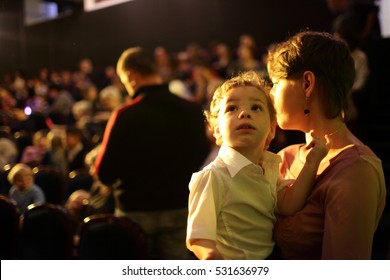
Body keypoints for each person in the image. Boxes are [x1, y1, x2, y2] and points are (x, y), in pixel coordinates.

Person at [267, 30, 386, 259]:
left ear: (306, 84)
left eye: (275, 82)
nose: (270, 93)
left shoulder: (355, 169)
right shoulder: (284, 157)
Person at [186, 71, 329, 260]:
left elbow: (288, 205)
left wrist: (312, 163)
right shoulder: (212, 176)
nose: (244, 113)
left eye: (256, 107)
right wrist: (212, 257)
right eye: (232, 108)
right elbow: (198, 237)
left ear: (271, 129)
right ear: (218, 130)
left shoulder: (269, 169)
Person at [94, 46, 211, 259]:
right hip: (179, 208)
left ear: (130, 74)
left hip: (135, 213)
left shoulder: (125, 115)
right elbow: (202, 156)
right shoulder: (192, 111)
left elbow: (104, 172)